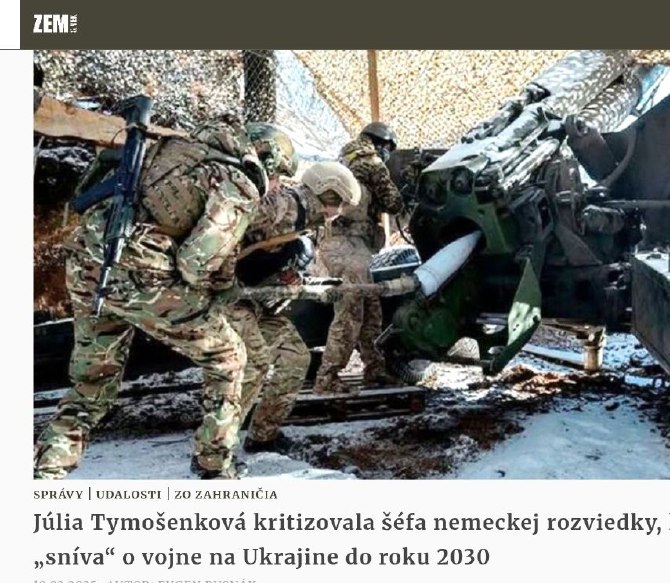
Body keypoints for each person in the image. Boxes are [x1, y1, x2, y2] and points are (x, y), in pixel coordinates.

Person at [33, 119, 268, 480]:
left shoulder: (168, 149)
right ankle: (214, 464)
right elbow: (196, 263)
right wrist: (214, 289)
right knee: (228, 357)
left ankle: (46, 471)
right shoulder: (236, 182)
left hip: (87, 266)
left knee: (92, 384)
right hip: (143, 279)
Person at [230, 124, 361, 452]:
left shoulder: (308, 223)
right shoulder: (284, 205)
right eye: (338, 203)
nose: (338, 212)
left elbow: (279, 262)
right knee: (255, 363)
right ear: (328, 194)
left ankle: (263, 436)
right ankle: (216, 450)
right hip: (230, 299)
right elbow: (230, 228)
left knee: (295, 357)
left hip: (256, 301)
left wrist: (292, 281)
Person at [313, 122, 405, 394]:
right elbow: (393, 203)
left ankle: (375, 368)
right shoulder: (371, 161)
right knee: (351, 311)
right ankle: (327, 378)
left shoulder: (344, 158)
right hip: (349, 246)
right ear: (382, 144)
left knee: (371, 308)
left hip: (342, 245)